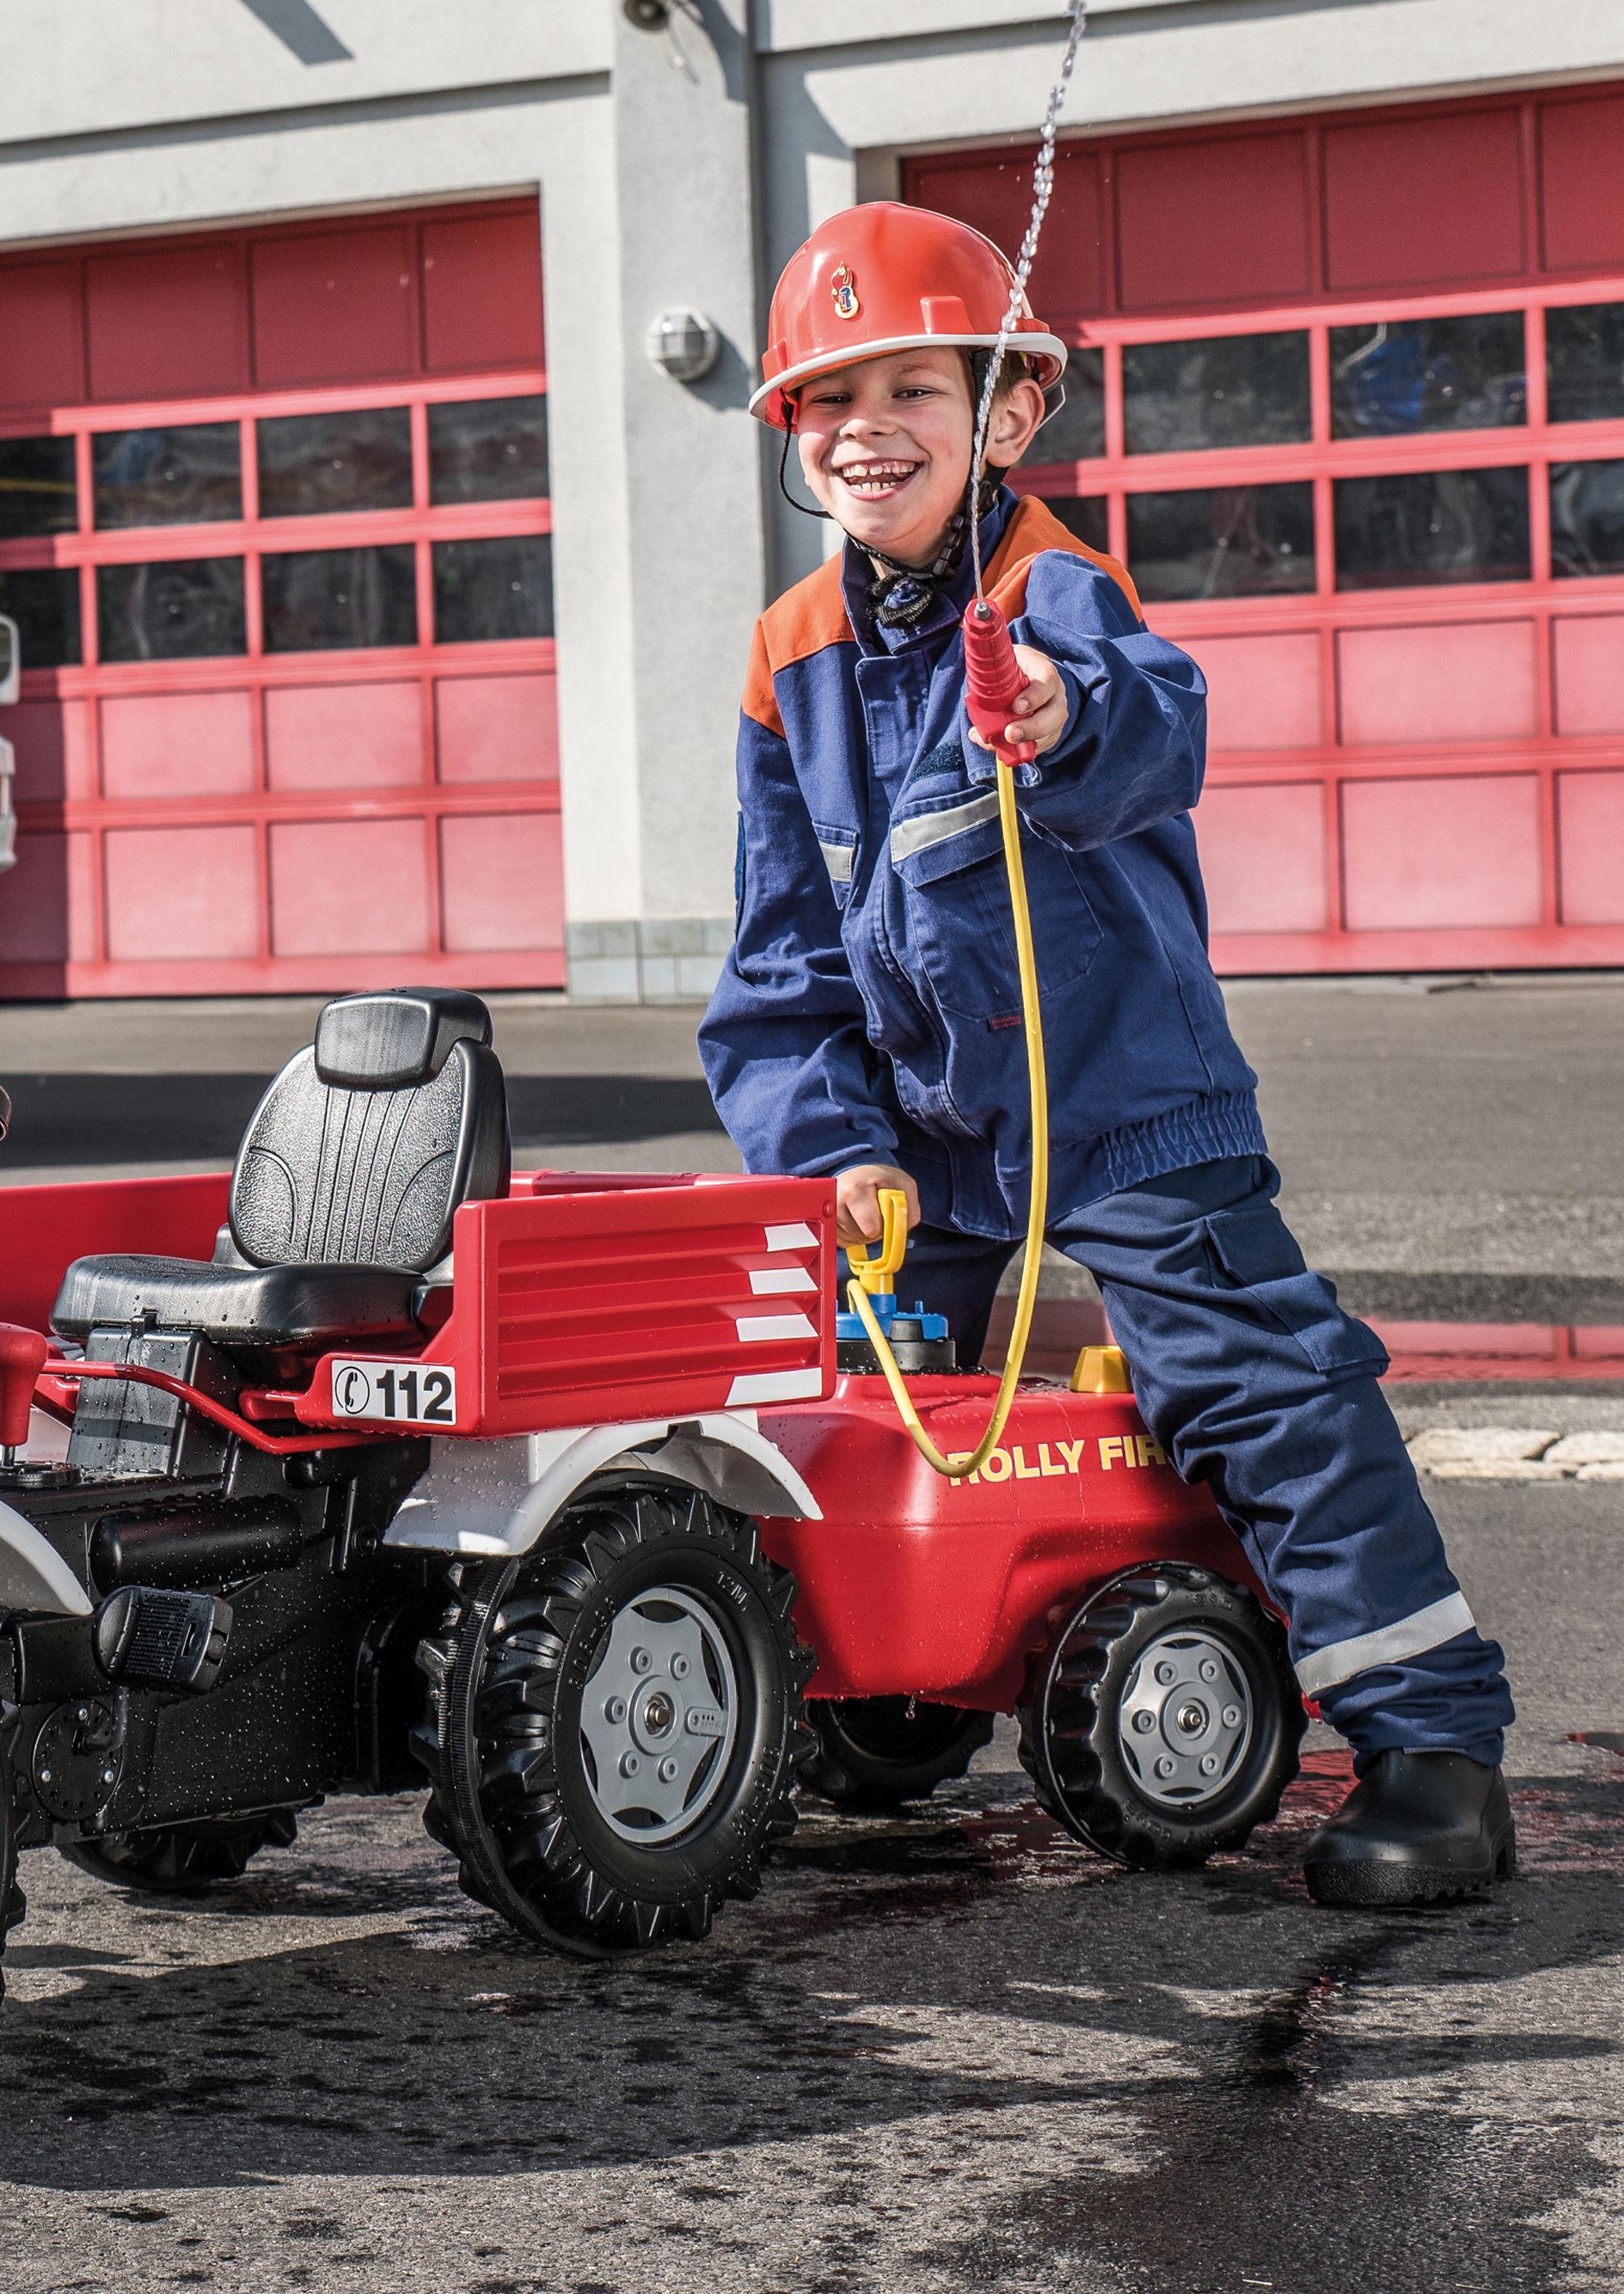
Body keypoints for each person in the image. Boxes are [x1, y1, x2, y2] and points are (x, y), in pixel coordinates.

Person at [696, 201, 1516, 1905]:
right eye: (825, 400)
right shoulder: (788, 660)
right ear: (792, 433)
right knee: (860, 1402)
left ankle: (1430, 1749)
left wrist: (1058, 720)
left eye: (911, 386)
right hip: (918, 1137)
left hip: (1124, 1102)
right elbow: (778, 964)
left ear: (1003, 414)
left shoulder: (1048, 591)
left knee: (1261, 1392)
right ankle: (897, 1686)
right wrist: (827, 1138)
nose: (865, 429)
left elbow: (1150, 727)